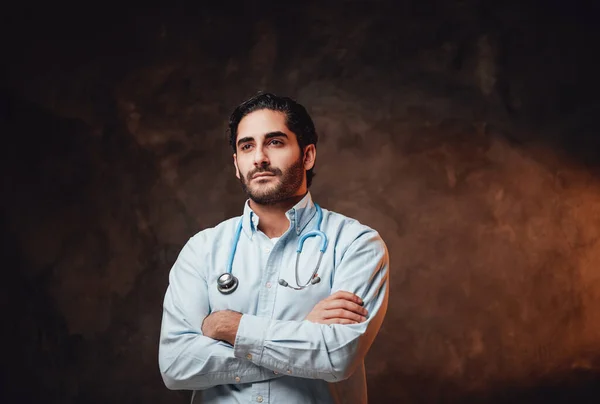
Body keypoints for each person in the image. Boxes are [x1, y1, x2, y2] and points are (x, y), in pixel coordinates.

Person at [158, 92, 390, 404]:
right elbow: (176, 365)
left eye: (275, 142)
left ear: (307, 156)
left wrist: (232, 327)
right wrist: (302, 336)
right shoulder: (202, 249)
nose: (259, 158)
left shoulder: (355, 244)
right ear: (237, 164)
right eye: (247, 146)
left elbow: (337, 357)